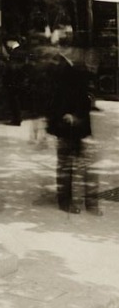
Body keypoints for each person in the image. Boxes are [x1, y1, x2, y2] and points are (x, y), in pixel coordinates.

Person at [46, 25, 102, 216]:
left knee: (80, 164)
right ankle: (67, 201)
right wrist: (65, 114)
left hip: (78, 122)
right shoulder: (60, 67)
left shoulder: (75, 67)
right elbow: (54, 96)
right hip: (67, 123)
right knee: (67, 164)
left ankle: (87, 202)